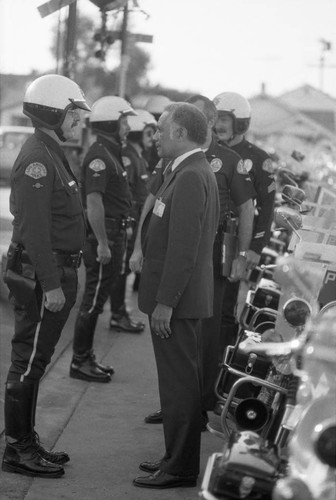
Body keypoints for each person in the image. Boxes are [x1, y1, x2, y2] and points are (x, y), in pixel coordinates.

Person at [141, 95, 256, 425]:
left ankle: (192, 424)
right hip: (186, 264)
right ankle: (177, 428)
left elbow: (245, 210)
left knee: (199, 348)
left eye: (215, 119)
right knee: (180, 362)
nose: (215, 125)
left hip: (207, 262)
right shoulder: (179, 163)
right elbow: (154, 203)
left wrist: (244, 255)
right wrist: (139, 246)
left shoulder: (215, 164)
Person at [1, 74, 90, 478]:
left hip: (49, 272)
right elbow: (35, 229)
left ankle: (25, 438)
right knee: (28, 359)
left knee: (36, 359)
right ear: (54, 112)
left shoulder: (52, 150)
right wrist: (52, 284)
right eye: (75, 113)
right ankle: (17, 449)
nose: (81, 121)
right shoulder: (39, 155)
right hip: (41, 276)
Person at [133, 102, 220, 489]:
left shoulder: (189, 175)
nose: (155, 135)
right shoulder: (185, 170)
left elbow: (184, 248)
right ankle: (174, 457)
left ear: (180, 133)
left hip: (177, 302)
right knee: (176, 383)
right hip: (178, 298)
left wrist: (165, 301)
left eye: (161, 129)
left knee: (179, 384)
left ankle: (181, 467)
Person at [69, 96, 135, 383]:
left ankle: (87, 356)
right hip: (105, 235)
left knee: (98, 299)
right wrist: (103, 243)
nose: (126, 127)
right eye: (122, 121)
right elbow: (93, 202)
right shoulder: (99, 155)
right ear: (109, 122)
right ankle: (79, 360)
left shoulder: (109, 152)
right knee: (94, 300)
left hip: (114, 232)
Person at [213, 91, 276, 354]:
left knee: (227, 307)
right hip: (207, 236)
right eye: (215, 118)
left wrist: (253, 248)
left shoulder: (260, 160)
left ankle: (220, 362)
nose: (218, 124)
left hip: (236, 238)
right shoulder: (206, 151)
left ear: (240, 122)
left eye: (225, 119)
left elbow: (267, 208)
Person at [109, 109, 157, 332]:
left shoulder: (138, 156)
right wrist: (129, 224)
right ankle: (117, 315)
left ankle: (121, 313)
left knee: (125, 271)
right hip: (129, 223)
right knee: (122, 271)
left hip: (137, 221)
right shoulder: (128, 155)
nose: (152, 138)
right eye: (149, 132)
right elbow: (125, 193)